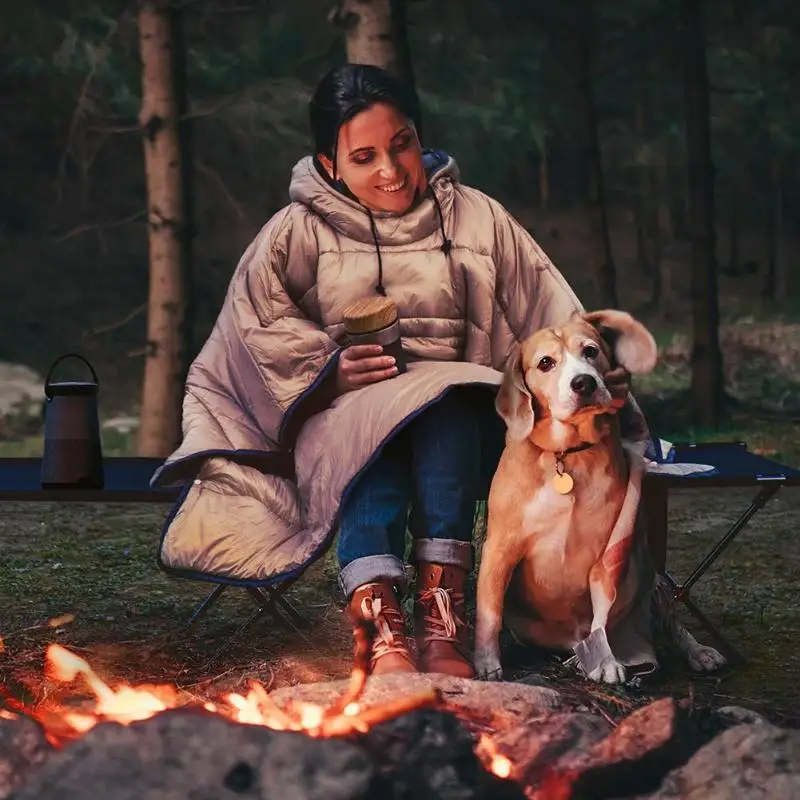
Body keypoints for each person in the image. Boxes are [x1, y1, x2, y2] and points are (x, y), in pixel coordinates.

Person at [151, 63, 645, 679]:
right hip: (345, 427)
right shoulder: (293, 233)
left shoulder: (477, 219)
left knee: (444, 411)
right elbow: (250, 338)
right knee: (372, 432)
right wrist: (328, 374)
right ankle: (377, 620)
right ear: (329, 164)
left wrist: (601, 376)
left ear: (419, 135)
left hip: (463, 425)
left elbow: (551, 316)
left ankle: (444, 614)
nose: (390, 169)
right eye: (364, 157)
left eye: (402, 143)